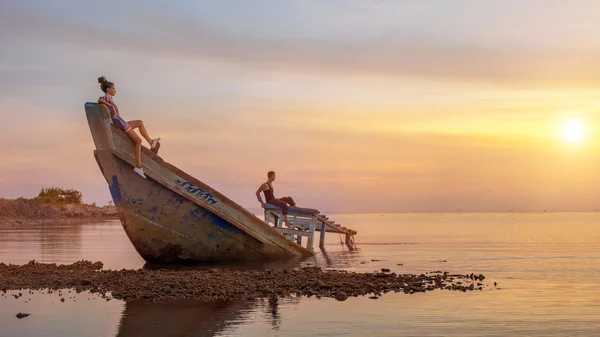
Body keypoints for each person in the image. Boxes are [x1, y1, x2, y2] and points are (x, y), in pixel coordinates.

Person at [97, 76, 160, 179]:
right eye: (113, 88)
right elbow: (100, 100)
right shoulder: (107, 97)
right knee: (138, 141)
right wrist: (111, 106)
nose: (115, 90)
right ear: (108, 89)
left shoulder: (110, 98)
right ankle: (138, 167)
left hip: (120, 122)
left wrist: (111, 105)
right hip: (120, 123)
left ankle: (151, 142)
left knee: (140, 122)